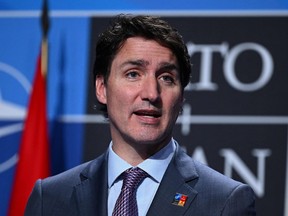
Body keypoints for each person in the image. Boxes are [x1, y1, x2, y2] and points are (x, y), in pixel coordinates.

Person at [25, 14, 256, 216]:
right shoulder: (51, 198)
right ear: (102, 88)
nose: (151, 93)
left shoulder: (225, 201)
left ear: (181, 95)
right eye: (133, 74)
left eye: (167, 78)